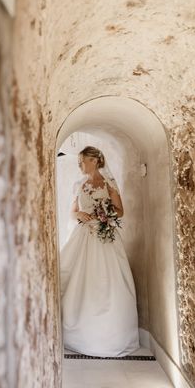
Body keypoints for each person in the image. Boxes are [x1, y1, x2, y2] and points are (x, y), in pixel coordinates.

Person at [60, 146, 140, 357]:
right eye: (78, 162)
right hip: (84, 235)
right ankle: (79, 331)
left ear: (95, 161)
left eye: (82, 161)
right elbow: (72, 212)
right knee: (81, 278)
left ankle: (109, 334)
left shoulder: (108, 183)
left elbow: (120, 211)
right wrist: (81, 215)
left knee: (108, 280)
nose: (79, 165)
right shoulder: (79, 184)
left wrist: (104, 213)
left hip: (105, 235)